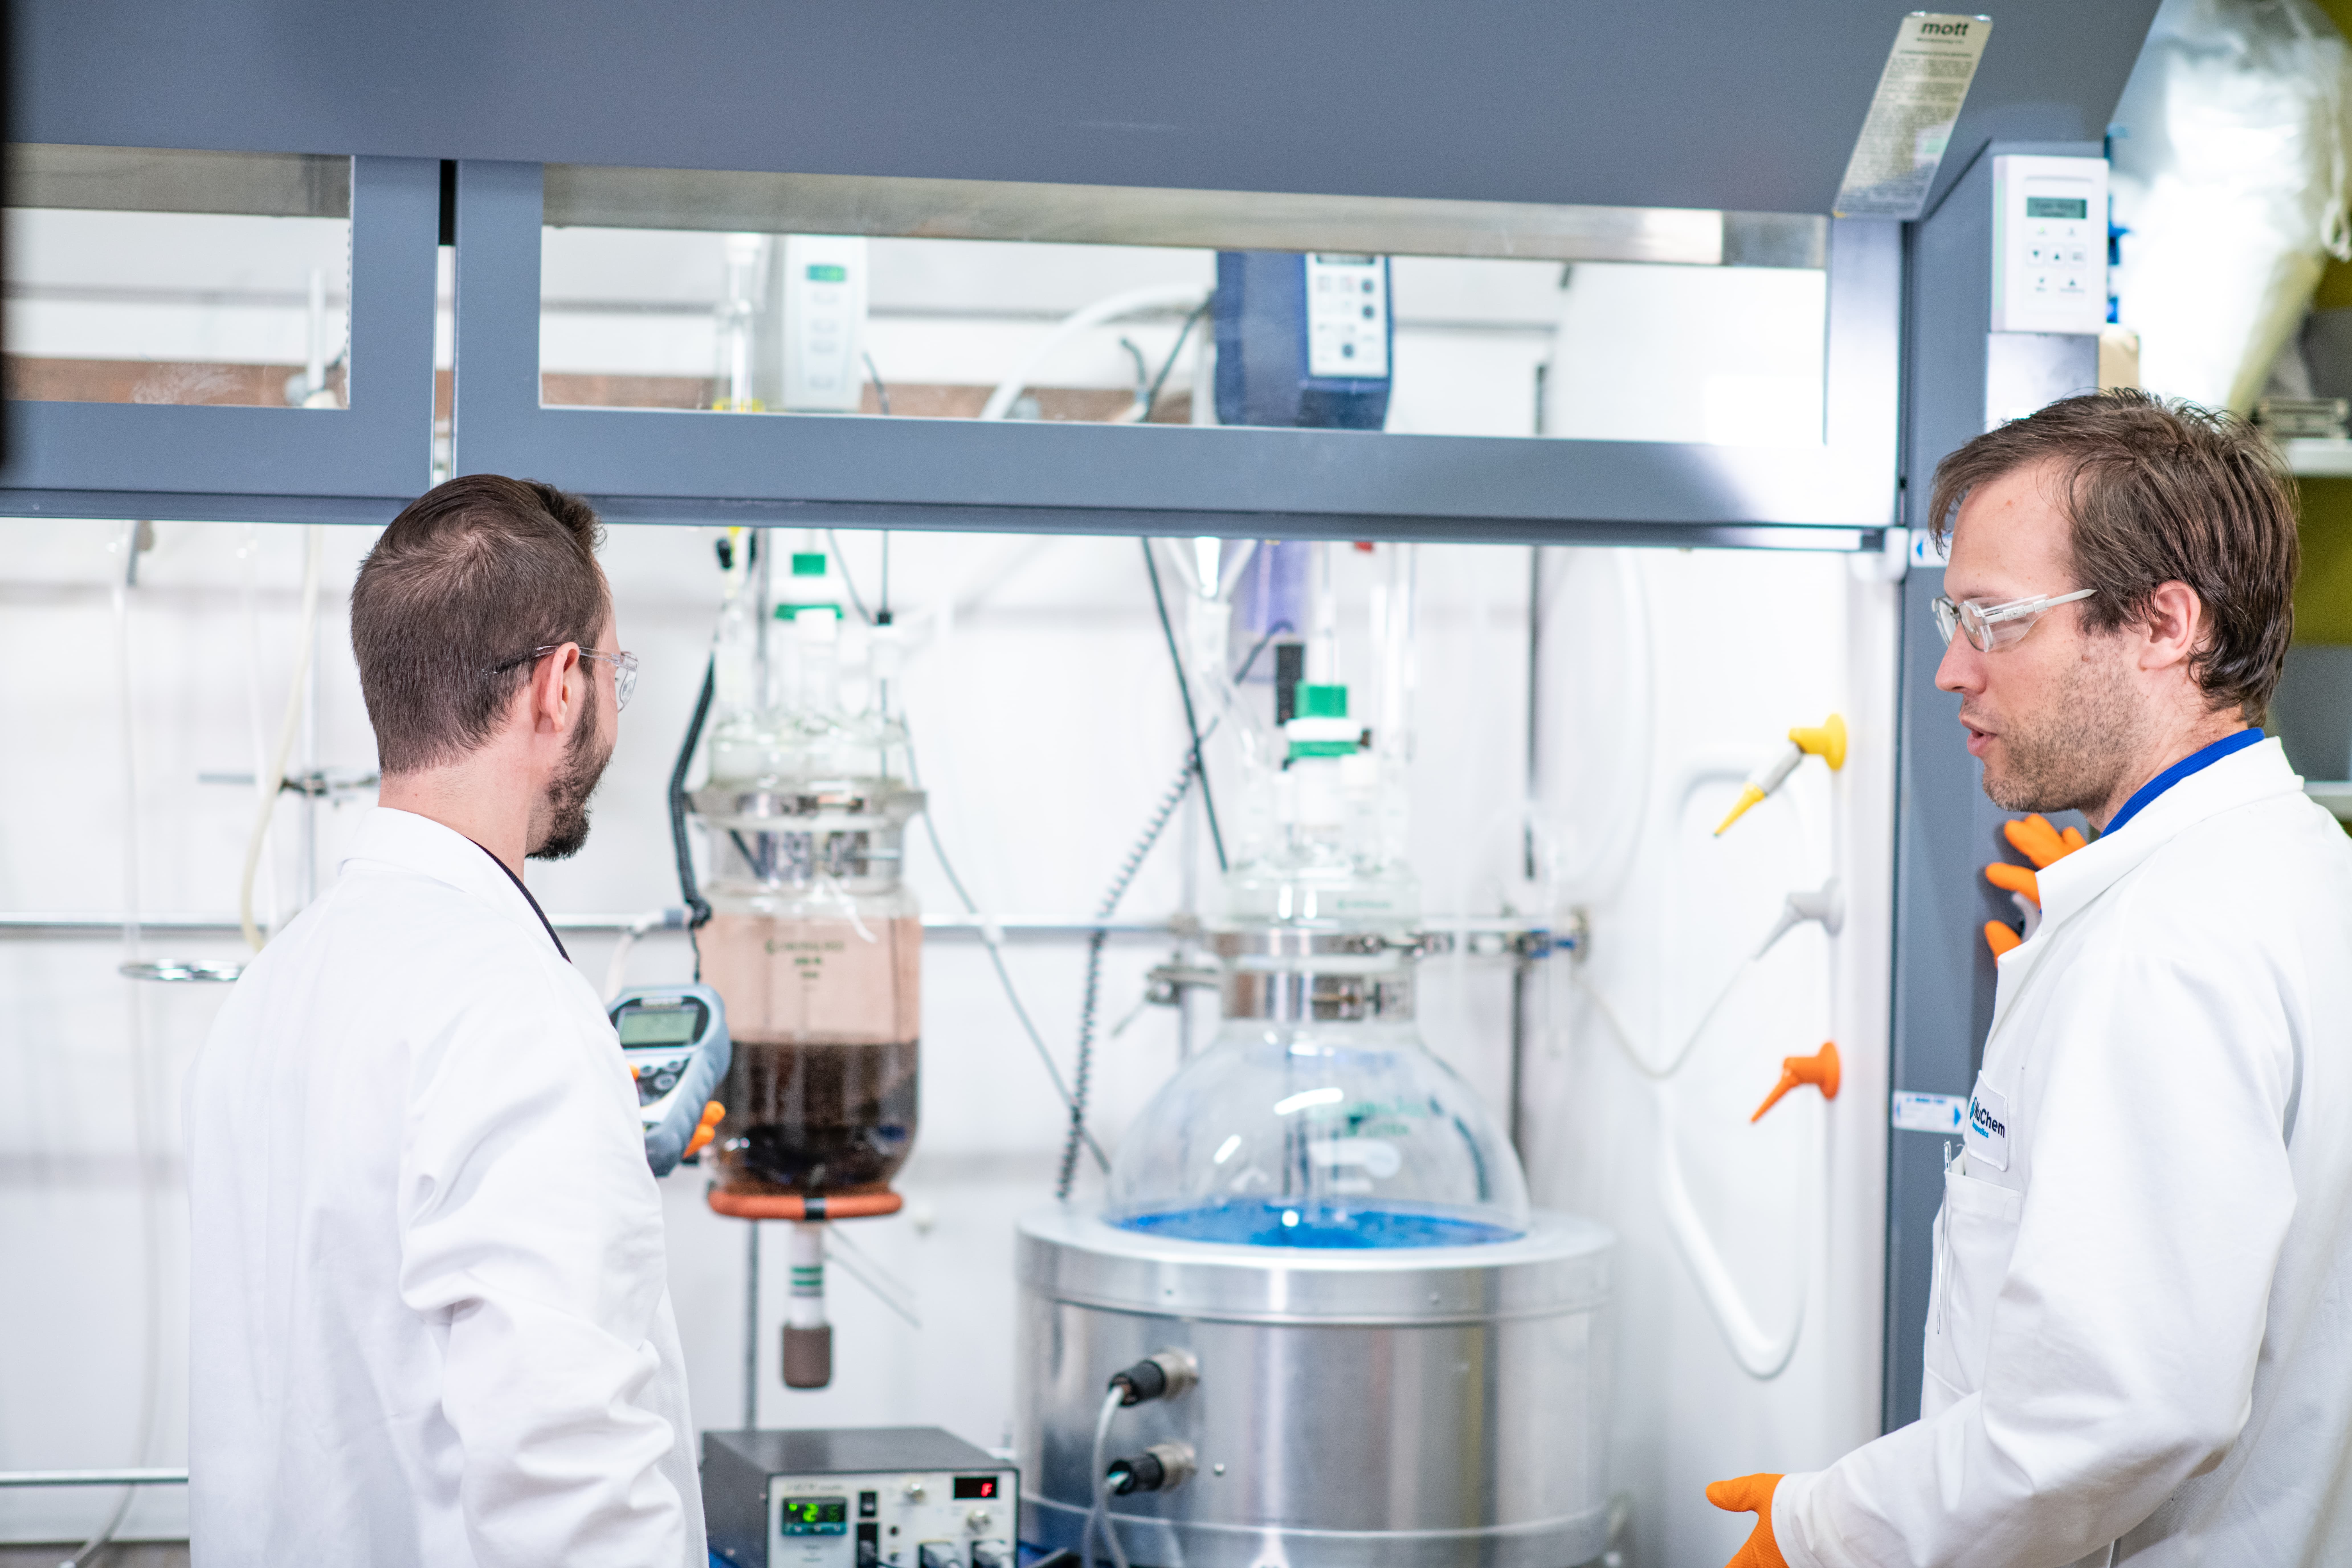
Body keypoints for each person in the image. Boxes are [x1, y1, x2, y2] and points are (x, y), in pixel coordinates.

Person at [1707, 390, 2352, 1567]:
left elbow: (2114, 1407)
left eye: (1996, 621)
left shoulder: (2170, 939)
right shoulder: (2299, 871)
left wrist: (1823, 1525)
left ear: (2166, 624)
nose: (1953, 668)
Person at [186, 476, 707, 1566]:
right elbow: (573, 1477)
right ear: (561, 688)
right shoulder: (511, 1009)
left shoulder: (280, 984)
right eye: (614, 670)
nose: (613, 697)